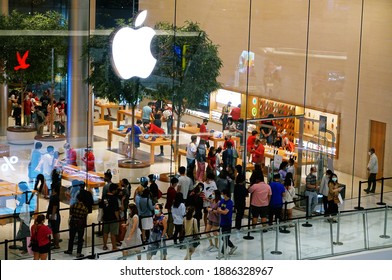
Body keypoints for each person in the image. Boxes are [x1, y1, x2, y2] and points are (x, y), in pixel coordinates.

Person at [64, 193, 88, 258]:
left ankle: (70, 250)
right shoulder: (85, 208)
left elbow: (71, 212)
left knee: (71, 237)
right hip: (80, 223)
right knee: (80, 239)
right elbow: (85, 217)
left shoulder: (74, 205)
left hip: (73, 222)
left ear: (77, 199)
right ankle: (78, 253)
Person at [216, 189, 237, 259]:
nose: (222, 195)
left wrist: (221, 211)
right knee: (223, 237)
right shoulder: (222, 201)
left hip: (227, 222)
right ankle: (233, 246)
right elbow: (218, 209)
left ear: (226, 194)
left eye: (223, 194)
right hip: (222, 222)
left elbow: (225, 212)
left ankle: (222, 252)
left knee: (225, 238)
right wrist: (222, 211)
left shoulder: (230, 203)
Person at [102, 183, 120, 251]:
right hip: (113, 218)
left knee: (105, 232)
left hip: (105, 216)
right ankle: (114, 247)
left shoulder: (104, 196)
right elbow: (116, 210)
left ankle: (104, 245)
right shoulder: (114, 198)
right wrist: (118, 218)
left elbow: (102, 206)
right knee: (113, 233)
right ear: (114, 190)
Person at [46, 183, 61, 249]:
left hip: (54, 215)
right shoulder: (54, 196)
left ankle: (56, 244)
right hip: (52, 215)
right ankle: (55, 243)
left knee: (55, 231)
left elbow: (55, 207)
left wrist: (52, 215)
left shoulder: (55, 197)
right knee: (53, 230)